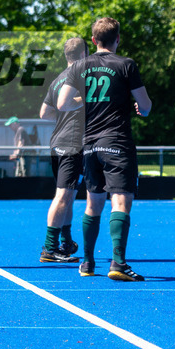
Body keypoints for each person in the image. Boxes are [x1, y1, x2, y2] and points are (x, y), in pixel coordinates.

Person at [58, 16, 152, 281]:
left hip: (89, 145)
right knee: (120, 201)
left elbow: (63, 103)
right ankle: (118, 263)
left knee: (93, 202)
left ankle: (87, 263)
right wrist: (140, 109)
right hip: (117, 141)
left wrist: (86, 99)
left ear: (93, 40)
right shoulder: (126, 65)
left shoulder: (79, 66)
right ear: (117, 39)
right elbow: (145, 105)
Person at [38, 37, 87, 263]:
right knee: (63, 196)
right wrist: (81, 101)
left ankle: (66, 241)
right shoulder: (81, 76)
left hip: (57, 142)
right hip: (72, 143)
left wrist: (64, 114)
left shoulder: (58, 79)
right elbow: (65, 105)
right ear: (84, 54)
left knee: (68, 195)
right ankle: (49, 248)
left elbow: (44, 113)